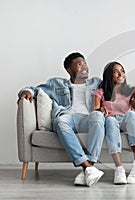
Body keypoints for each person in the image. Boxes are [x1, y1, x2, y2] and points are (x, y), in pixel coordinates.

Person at [17, 52, 105, 187]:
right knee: (59, 121)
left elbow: (115, 87)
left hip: (89, 119)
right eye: (79, 64)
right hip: (67, 118)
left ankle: (88, 167)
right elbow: (34, 89)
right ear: (69, 70)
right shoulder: (56, 83)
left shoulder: (96, 82)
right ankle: (88, 167)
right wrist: (26, 92)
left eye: (85, 63)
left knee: (98, 116)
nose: (85, 67)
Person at [94, 61, 135, 184]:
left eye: (122, 71)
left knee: (131, 114)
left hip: (126, 121)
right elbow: (95, 109)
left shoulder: (131, 90)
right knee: (110, 120)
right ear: (109, 75)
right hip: (111, 122)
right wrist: (100, 109)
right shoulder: (101, 92)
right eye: (116, 71)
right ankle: (119, 168)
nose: (120, 74)